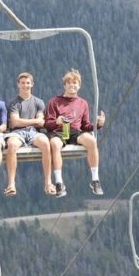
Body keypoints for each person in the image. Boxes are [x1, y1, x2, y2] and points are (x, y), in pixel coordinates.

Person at [44, 69, 105, 198]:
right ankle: (59, 182)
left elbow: (86, 125)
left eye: (75, 83)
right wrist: (57, 122)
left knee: (92, 141)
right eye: (69, 83)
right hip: (59, 132)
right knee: (54, 144)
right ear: (64, 85)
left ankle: (95, 179)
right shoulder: (54, 102)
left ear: (79, 86)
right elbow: (47, 124)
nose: (72, 85)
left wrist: (98, 124)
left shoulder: (82, 103)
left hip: (75, 132)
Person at [4, 72, 54, 196]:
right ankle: (11, 184)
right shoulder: (13, 103)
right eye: (22, 83)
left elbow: (41, 123)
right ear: (18, 85)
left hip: (33, 132)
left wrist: (29, 122)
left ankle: (48, 182)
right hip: (17, 132)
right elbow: (15, 122)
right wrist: (34, 121)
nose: (25, 86)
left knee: (45, 144)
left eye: (28, 83)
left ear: (32, 84)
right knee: (11, 145)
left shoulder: (38, 102)